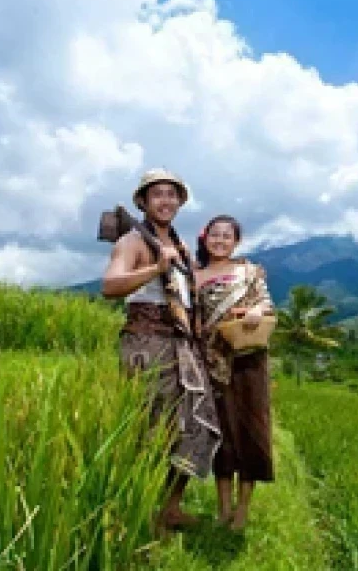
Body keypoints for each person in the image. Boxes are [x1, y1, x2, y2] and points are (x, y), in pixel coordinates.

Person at [102, 168, 221, 532]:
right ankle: (138, 509)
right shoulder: (133, 242)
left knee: (194, 424)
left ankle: (170, 508)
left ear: (180, 202)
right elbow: (110, 285)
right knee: (151, 428)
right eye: (158, 194)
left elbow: (194, 285)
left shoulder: (180, 246)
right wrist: (156, 267)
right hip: (146, 342)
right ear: (143, 201)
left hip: (182, 343)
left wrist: (244, 276)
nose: (165, 201)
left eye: (172, 194)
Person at [194, 215, 275, 531]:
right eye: (215, 235)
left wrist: (257, 310)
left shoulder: (250, 272)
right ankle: (223, 508)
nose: (220, 240)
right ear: (206, 238)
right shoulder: (195, 276)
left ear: (236, 241)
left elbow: (267, 304)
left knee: (251, 431)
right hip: (212, 362)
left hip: (248, 360)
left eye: (227, 236)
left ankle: (242, 510)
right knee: (222, 435)